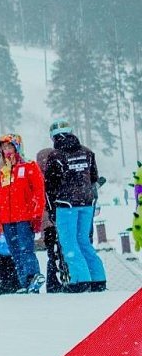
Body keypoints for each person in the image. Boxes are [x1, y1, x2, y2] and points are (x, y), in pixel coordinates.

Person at [42, 119, 106, 293]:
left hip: (66, 205)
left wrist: (51, 209)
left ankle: (80, 280)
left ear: (54, 137)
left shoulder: (56, 156)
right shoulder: (87, 152)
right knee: (84, 241)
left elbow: (49, 186)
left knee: (69, 243)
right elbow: (94, 178)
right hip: (87, 203)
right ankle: (98, 278)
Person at [0, 134, 46, 293]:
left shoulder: (29, 166)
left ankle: (32, 277)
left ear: (17, 147)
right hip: (7, 220)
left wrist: (36, 214)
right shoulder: (3, 172)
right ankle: (24, 282)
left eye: (9, 147)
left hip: (24, 217)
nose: (7, 150)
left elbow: (38, 192)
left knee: (26, 249)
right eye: (4, 148)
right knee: (14, 251)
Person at [35, 146, 67, 292]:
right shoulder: (55, 177)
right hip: (55, 222)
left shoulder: (41, 178)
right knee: (59, 253)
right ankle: (58, 282)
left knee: (52, 254)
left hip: (49, 224)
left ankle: (53, 284)